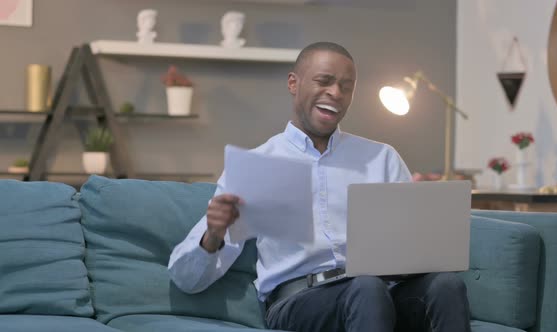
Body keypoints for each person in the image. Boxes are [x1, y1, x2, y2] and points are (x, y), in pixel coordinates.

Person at [168, 41, 472, 332]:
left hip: (379, 291)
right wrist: (213, 235)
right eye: (324, 81)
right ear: (293, 83)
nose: (336, 93)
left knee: (446, 284)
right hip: (297, 301)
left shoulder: (382, 157)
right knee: (366, 288)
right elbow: (186, 279)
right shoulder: (257, 164)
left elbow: (416, 247)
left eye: (346, 86)